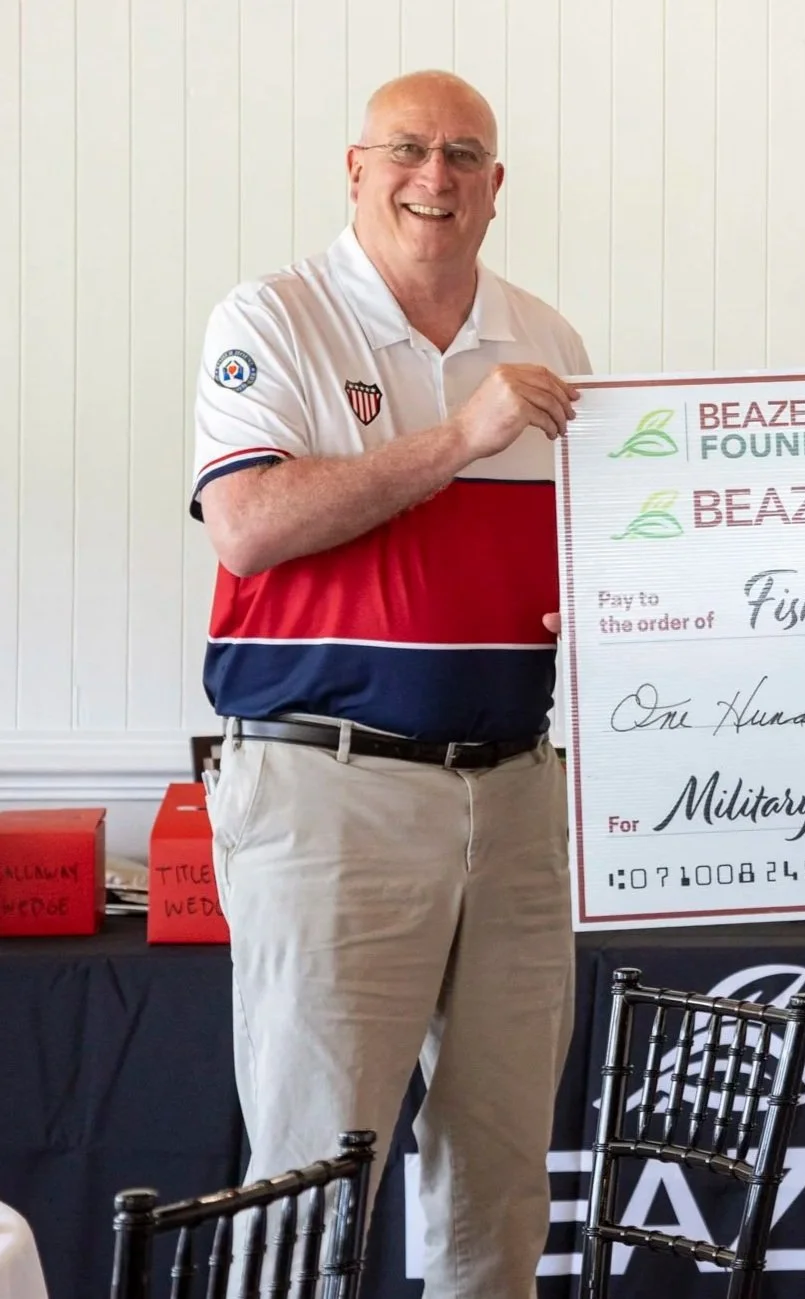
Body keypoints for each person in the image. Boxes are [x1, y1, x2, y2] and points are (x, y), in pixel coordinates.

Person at [191, 70, 586, 1294]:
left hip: (520, 797)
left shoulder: (548, 339)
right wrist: (460, 438)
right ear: (354, 169)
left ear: (497, 186)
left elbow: (589, 550)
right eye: (408, 150)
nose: (436, 177)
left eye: (464, 155)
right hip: (331, 791)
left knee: (502, 1169)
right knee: (310, 1173)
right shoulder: (273, 320)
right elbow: (247, 525)